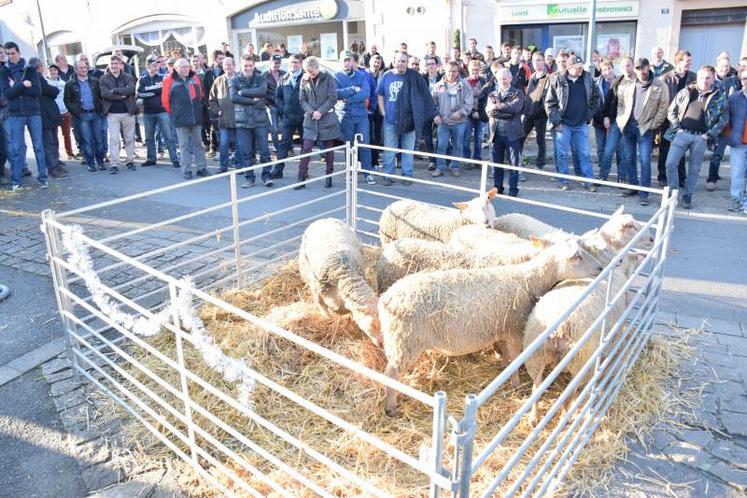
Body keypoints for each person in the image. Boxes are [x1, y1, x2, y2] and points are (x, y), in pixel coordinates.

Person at [664, 65, 728, 209]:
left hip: (701, 137)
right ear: (697, 77)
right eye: (701, 77)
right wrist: (676, 128)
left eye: (707, 78)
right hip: (682, 134)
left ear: (712, 79)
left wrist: (709, 134)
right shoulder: (686, 91)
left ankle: (687, 196)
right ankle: (673, 194)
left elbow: (724, 120)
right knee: (670, 164)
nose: (704, 80)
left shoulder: (719, 96)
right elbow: (671, 110)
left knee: (694, 169)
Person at [376, 50, 436, 185]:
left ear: (407, 63)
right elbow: (380, 94)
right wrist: (383, 111)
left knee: (407, 151)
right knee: (390, 150)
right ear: (394, 61)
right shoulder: (387, 75)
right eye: (398, 61)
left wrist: (427, 114)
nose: (401, 64)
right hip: (390, 120)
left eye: (404, 61)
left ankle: (407, 176)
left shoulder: (415, 76)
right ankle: (388, 175)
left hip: (409, 121)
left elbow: (425, 96)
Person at [615, 58, 669, 205]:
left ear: (648, 67)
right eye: (638, 68)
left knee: (645, 161)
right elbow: (620, 104)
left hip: (645, 128)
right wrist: (621, 121)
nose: (641, 71)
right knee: (629, 158)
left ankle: (644, 193)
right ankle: (633, 186)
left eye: (643, 68)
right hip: (628, 127)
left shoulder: (659, 85)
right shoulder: (629, 83)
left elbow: (663, 108)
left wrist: (652, 125)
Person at [545, 55, 600, 191]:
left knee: (585, 154)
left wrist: (588, 115)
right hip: (563, 124)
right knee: (562, 154)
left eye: (581, 68)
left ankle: (588, 182)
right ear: (569, 68)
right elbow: (549, 103)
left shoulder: (587, 79)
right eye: (577, 68)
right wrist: (557, 122)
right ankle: (564, 181)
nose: (580, 70)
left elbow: (596, 99)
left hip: (580, 124)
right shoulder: (557, 79)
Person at [0, 42, 49, 190]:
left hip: (33, 112)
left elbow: (36, 91)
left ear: (19, 52)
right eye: (7, 54)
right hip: (15, 114)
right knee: (16, 148)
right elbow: (7, 94)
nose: (10, 57)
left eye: (13, 53)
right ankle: (16, 180)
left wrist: (15, 85)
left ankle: (43, 178)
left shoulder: (30, 70)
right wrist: (22, 85)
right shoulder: (3, 72)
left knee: (38, 146)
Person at [295, 56, 340, 189]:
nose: (310, 73)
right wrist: (311, 112)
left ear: (317, 67)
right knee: (307, 148)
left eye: (312, 70)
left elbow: (333, 98)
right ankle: (301, 177)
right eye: (308, 71)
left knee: (328, 149)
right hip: (310, 120)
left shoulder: (328, 78)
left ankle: (329, 176)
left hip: (326, 119)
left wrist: (320, 111)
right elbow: (302, 100)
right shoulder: (304, 80)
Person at [162, 58, 209, 180]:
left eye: (187, 66)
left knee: (199, 144)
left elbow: (201, 95)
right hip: (181, 119)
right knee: (184, 146)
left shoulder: (195, 78)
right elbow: (165, 101)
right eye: (183, 67)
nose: (186, 69)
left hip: (196, 117)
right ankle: (186, 170)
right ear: (176, 69)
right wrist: (175, 114)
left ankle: (201, 168)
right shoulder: (169, 81)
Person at [229, 55, 273, 188]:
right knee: (246, 152)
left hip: (260, 120)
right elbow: (233, 98)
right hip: (242, 121)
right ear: (241, 66)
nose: (248, 68)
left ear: (254, 66)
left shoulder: (261, 78)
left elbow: (261, 91)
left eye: (250, 65)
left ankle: (266, 176)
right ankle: (250, 178)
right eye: (245, 66)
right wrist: (251, 100)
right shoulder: (235, 79)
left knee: (264, 150)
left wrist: (242, 92)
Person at [335, 50, 375, 184]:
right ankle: (350, 172)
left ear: (353, 61)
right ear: (341, 61)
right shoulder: (336, 77)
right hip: (345, 116)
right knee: (349, 146)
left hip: (361, 115)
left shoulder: (361, 76)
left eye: (349, 60)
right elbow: (336, 94)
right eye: (344, 60)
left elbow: (365, 93)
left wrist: (347, 98)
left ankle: (367, 173)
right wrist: (352, 90)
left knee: (364, 144)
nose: (347, 62)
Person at [659, 50, 696, 187]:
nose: (689, 64)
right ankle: (662, 176)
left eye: (690, 62)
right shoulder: (665, 78)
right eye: (687, 61)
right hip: (667, 120)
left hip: (685, 120)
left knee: (681, 148)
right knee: (664, 149)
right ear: (678, 61)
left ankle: (681, 177)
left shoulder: (693, 77)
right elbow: (661, 100)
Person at [430, 60, 473, 178]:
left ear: (458, 71)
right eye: (449, 71)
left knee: (457, 145)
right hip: (443, 122)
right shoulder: (438, 86)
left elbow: (469, 103)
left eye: (454, 71)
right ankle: (440, 167)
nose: (451, 74)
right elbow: (432, 104)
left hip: (459, 122)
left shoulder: (465, 85)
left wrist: (461, 113)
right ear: (445, 70)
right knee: (441, 145)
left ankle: (455, 167)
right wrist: (435, 115)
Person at [486, 67, 525, 196]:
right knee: (496, 164)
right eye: (500, 78)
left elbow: (514, 109)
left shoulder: (518, 93)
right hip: (495, 134)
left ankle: (513, 190)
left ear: (510, 78)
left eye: (505, 78)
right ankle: (498, 189)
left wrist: (497, 108)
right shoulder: (492, 94)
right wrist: (504, 112)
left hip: (512, 134)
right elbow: (490, 112)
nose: (502, 81)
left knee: (514, 164)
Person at [138, 54, 179, 168]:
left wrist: (150, 91)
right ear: (147, 65)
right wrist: (154, 91)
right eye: (152, 63)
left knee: (168, 136)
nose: (155, 66)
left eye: (157, 63)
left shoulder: (163, 77)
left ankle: (174, 159)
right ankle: (151, 158)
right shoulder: (143, 78)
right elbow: (139, 93)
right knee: (149, 137)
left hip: (162, 111)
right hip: (148, 112)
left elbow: (165, 90)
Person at [598, 56, 635, 183]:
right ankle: (603, 176)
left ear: (633, 65)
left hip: (629, 124)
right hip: (616, 121)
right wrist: (606, 116)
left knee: (623, 153)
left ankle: (621, 178)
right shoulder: (617, 81)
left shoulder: (638, 82)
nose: (626, 68)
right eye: (623, 66)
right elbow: (608, 102)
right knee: (608, 151)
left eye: (628, 65)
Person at [64, 60, 105, 172]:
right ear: (76, 70)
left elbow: (101, 96)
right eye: (80, 68)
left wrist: (100, 108)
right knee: (87, 141)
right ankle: (90, 163)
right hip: (82, 116)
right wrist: (75, 111)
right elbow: (67, 100)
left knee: (99, 140)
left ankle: (100, 162)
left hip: (95, 114)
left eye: (85, 67)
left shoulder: (95, 81)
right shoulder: (70, 84)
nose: (83, 69)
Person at [707, 56, 741, 191]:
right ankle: (712, 178)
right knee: (717, 153)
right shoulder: (712, 81)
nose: (724, 68)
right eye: (722, 66)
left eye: (727, 66)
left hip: (731, 123)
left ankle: (737, 181)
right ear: (716, 67)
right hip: (716, 123)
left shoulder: (734, 82)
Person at [100, 55, 137, 174]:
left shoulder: (128, 77)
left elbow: (130, 90)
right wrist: (121, 94)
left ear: (121, 65)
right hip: (112, 114)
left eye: (116, 64)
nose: (114, 66)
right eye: (112, 64)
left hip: (128, 112)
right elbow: (105, 94)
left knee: (129, 138)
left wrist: (114, 90)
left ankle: (130, 161)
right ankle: (114, 163)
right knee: (114, 139)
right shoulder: (104, 79)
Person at [271, 54, 304, 179]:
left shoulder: (306, 78)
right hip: (288, 117)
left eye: (296, 62)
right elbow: (277, 97)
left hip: (303, 116)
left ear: (301, 64)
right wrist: (283, 108)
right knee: (283, 144)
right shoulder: (283, 78)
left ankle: (303, 171)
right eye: (291, 63)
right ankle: (278, 170)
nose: (293, 65)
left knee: (305, 145)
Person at [592, 58, 622, 179]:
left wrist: (610, 118)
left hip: (616, 121)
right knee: (601, 149)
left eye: (609, 68)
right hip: (599, 121)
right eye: (604, 69)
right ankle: (603, 173)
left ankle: (622, 175)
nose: (607, 71)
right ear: (601, 71)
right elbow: (593, 102)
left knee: (619, 150)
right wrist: (599, 116)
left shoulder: (620, 82)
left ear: (613, 68)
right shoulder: (596, 84)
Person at [37, 60, 66, 179]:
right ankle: (53, 167)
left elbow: (52, 91)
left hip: (50, 115)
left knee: (53, 141)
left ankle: (56, 163)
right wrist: (52, 90)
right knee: (49, 143)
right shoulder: (38, 78)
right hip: (45, 116)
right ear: (40, 68)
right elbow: (52, 90)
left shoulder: (39, 78)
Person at [723, 70, 747, 213]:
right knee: (737, 174)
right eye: (744, 78)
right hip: (738, 143)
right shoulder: (733, 98)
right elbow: (726, 119)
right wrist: (729, 135)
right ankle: (737, 201)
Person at [208, 56, 237, 173]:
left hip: (239, 119)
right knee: (224, 144)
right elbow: (212, 100)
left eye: (229, 65)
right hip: (224, 120)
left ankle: (240, 166)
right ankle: (223, 167)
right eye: (225, 65)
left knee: (240, 145)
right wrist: (218, 111)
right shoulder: (218, 81)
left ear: (234, 66)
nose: (227, 67)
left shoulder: (240, 79)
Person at [522, 50, 551, 169]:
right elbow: (528, 96)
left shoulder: (549, 77)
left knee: (540, 140)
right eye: (534, 61)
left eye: (539, 60)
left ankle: (540, 163)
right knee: (520, 138)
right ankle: (518, 161)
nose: (536, 63)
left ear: (544, 61)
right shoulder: (532, 76)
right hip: (528, 114)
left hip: (541, 115)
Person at [47, 63, 75, 161]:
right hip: (52, 113)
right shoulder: (46, 83)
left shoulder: (63, 83)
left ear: (57, 71)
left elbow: (67, 97)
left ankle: (69, 153)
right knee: (53, 135)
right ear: (48, 72)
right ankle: (56, 154)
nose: (53, 72)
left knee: (66, 134)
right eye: (51, 70)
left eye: (55, 70)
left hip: (64, 111)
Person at [463, 59, 489, 164]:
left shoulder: (484, 82)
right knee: (466, 138)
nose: (475, 72)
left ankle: (477, 159)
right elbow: (461, 100)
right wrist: (471, 111)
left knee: (478, 138)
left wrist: (478, 111)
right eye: (473, 70)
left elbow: (486, 99)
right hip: (467, 114)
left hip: (480, 114)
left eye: (477, 70)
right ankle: (467, 159)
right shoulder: (463, 82)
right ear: (469, 70)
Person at [264, 54, 286, 154]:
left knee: (287, 127)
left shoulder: (284, 74)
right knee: (274, 129)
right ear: (270, 62)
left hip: (283, 105)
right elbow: (262, 93)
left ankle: (288, 147)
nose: (277, 65)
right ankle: (277, 148)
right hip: (271, 105)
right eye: (275, 62)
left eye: (279, 63)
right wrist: (267, 103)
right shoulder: (264, 75)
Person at [367, 54, 386, 168]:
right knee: (369, 135)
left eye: (378, 63)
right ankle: (369, 160)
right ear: (370, 62)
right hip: (367, 110)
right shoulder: (364, 75)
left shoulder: (382, 76)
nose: (376, 64)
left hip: (379, 110)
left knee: (378, 135)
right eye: (374, 62)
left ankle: (375, 159)